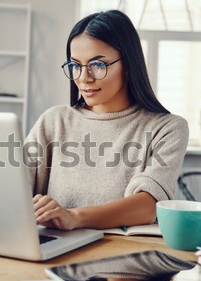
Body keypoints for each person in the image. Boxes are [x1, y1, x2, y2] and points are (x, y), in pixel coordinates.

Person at [25, 10, 188, 230]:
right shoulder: (54, 121)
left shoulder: (167, 128)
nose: (84, 78)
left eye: (98, 65)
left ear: (129, 65)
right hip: (56, 253)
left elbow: (148, 206)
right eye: (75, 66)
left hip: (123, 257)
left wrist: (74, 216)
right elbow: (13, 188)